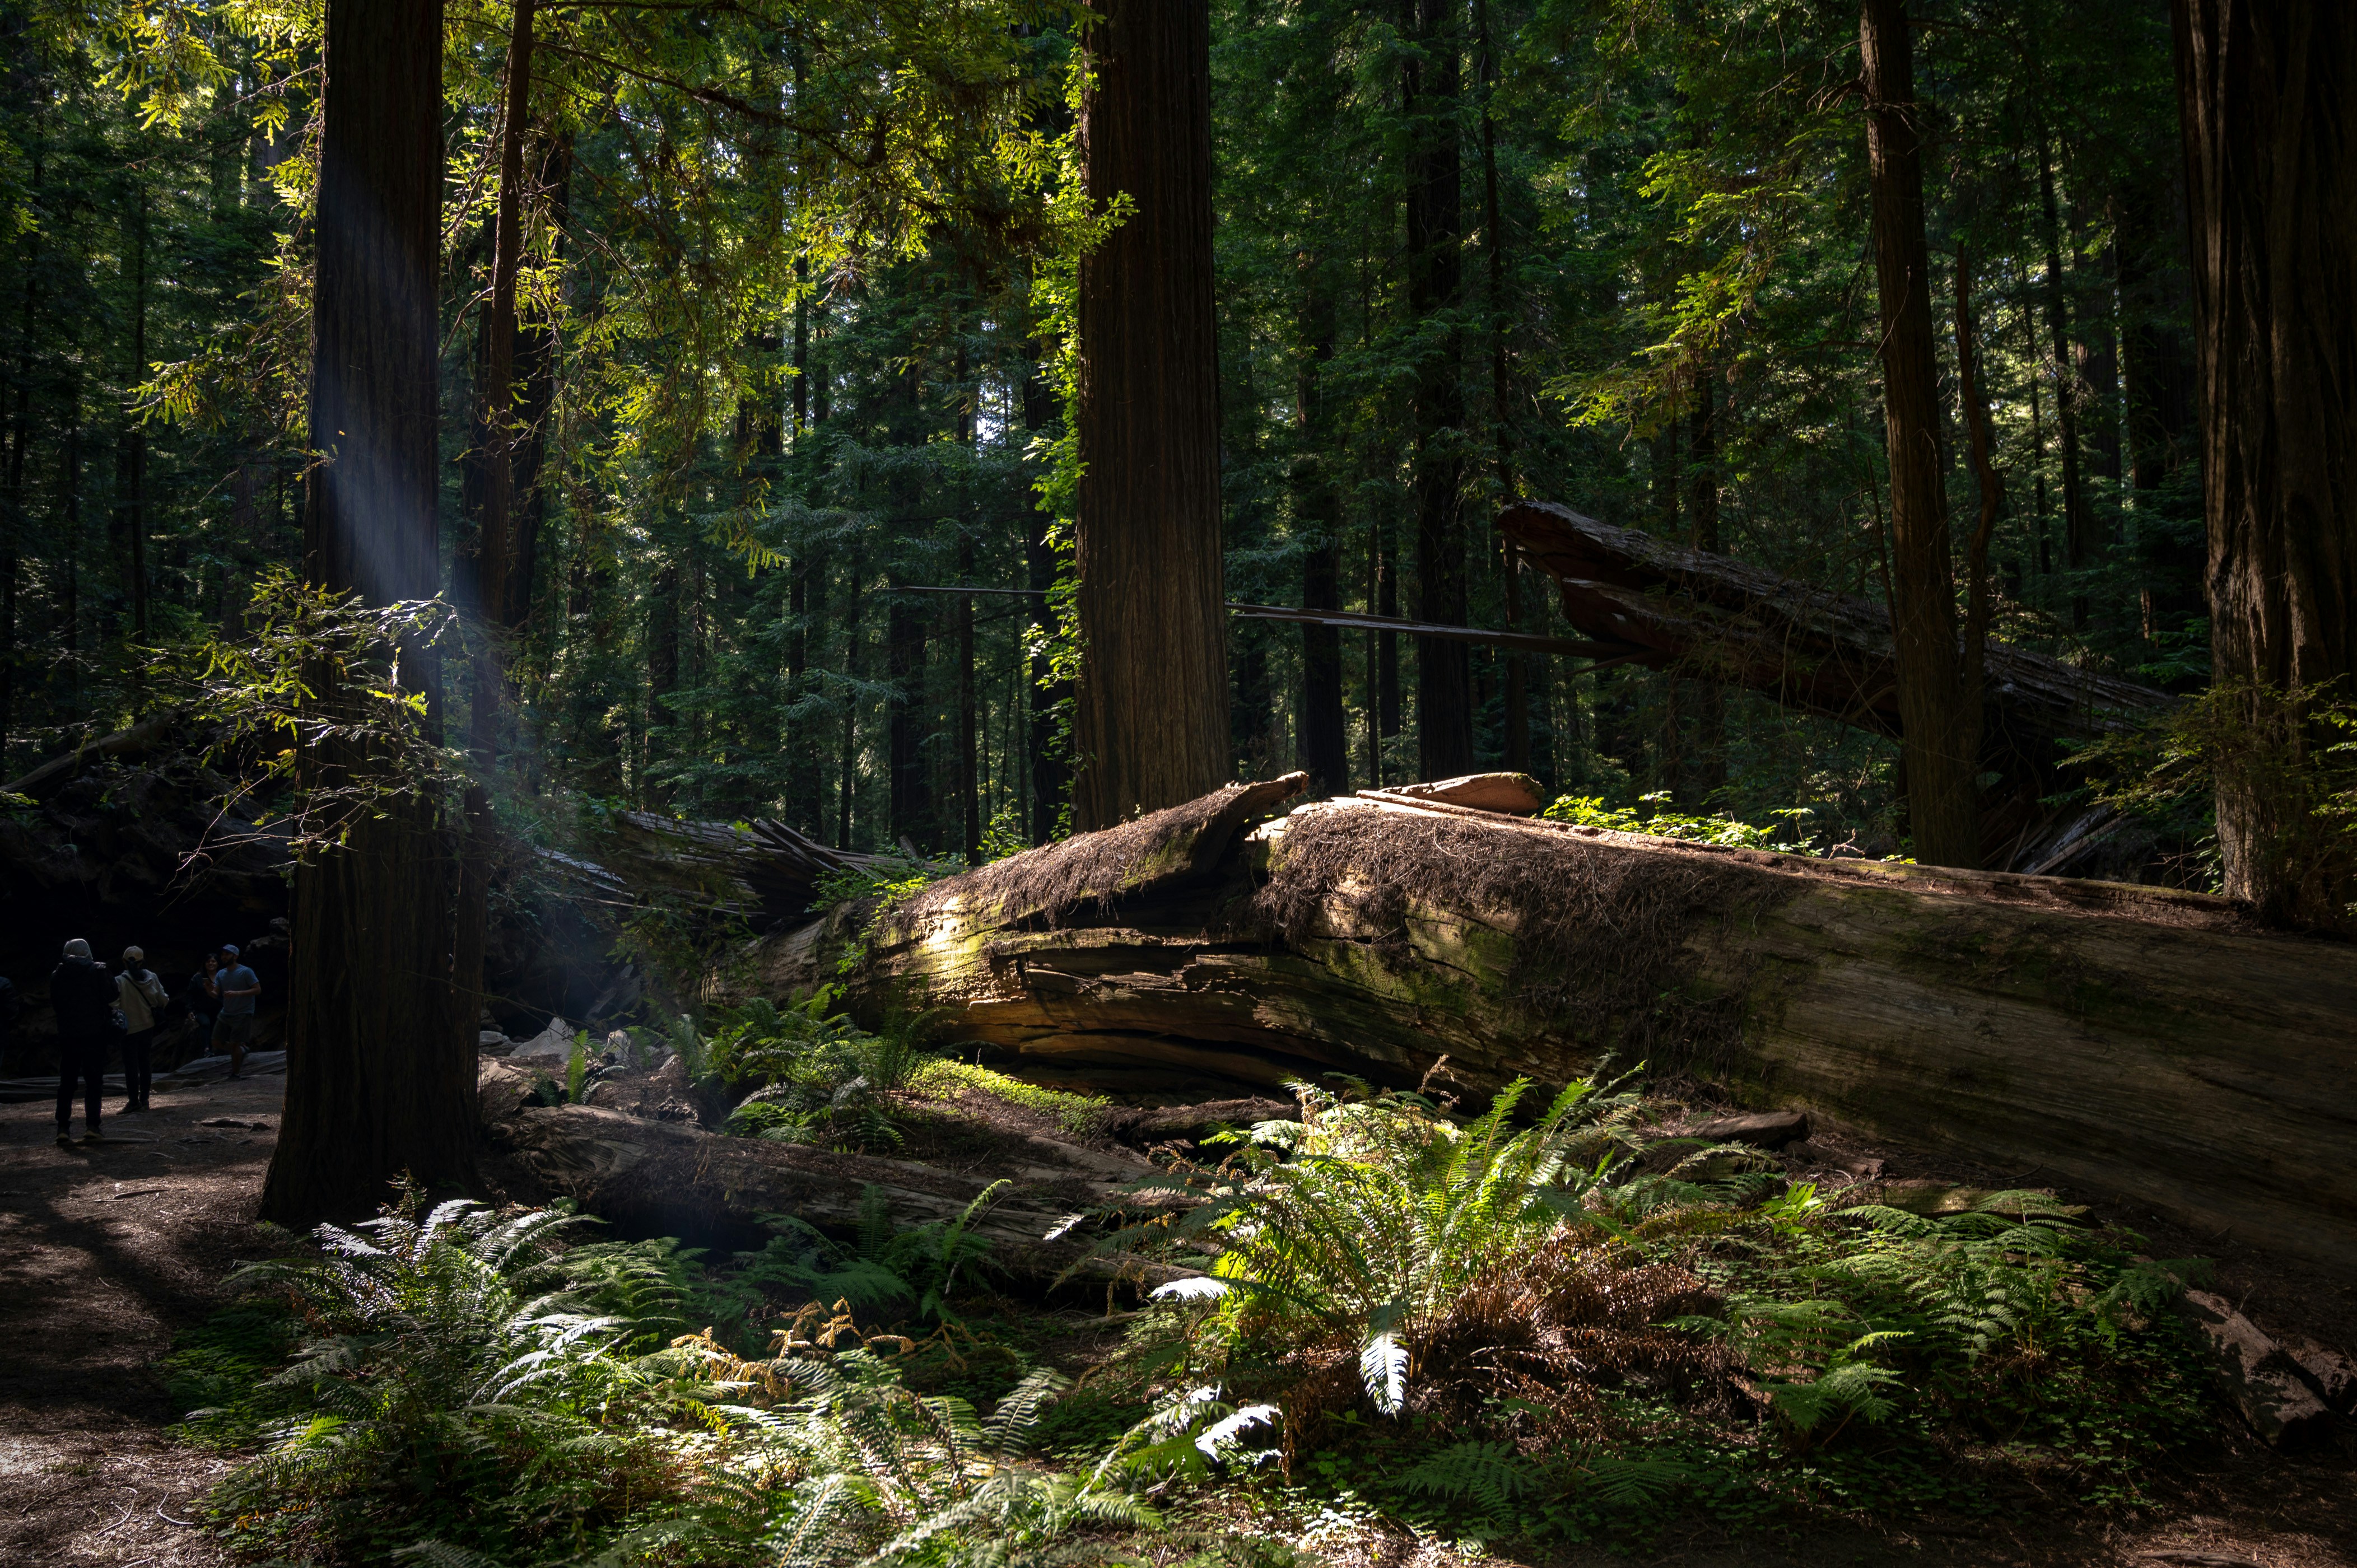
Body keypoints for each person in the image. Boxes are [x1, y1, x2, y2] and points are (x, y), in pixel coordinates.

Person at [50, 938, 117, 1145]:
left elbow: (56, 1003)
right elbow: (113, 994)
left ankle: (63, 1128)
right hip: (94, 1035)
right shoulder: (96, 971)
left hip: (68, 1035)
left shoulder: (57, 975)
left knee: (67, 1082)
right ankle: (92, 1126)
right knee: (94, 1082)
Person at [114, 946, 170, 1114]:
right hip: (148, 1027)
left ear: (124, 962)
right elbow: (163, 999)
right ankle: (145, 1100)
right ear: (142, 962)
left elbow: (114, 1005)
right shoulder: (152, 977)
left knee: (131, 1066)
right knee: (145, 1062)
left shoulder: (119, 981)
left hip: (128, 1030)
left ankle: (133, 1101)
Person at [213, 943, 261, 1079]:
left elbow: (258, 989)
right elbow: (215, 993)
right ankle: (241, 1050)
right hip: (226, 1012)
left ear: (235, 956)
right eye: (223, 954)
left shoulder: (246, 971)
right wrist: (207, 989)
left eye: (227, 954)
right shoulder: (221, 974)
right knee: (216, 1042)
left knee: (235, 1043)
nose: (224, 957)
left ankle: (235, 1073)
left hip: (243, 1012)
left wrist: (237, 993)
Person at [184, 951, 221, 1046]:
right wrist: (190, 1010)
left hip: (219, 1009)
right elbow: (190, 995)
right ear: (205, 964)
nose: (211, 964)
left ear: (218, 964)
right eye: (208, 962)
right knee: (206, 1024)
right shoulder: (198, 978)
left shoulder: (222, 977)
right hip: (201, 1010)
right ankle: (206, 1050)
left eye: (214, 961)